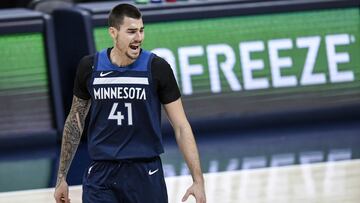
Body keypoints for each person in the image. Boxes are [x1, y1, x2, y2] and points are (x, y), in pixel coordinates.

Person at [54, 3, 206, 203]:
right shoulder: (89, 67)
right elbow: (75, 122)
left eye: (141, 30)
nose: (139, 38)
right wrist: (61, 177)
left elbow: (181, 126)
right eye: (132, 31)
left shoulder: (157, 68)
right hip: (101, 174)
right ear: (113, 32)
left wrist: (198, 180)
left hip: (145, 173)